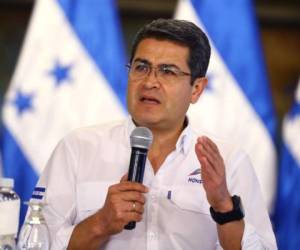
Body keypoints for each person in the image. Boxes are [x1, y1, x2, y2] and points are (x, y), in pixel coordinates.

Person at [34, 19, 277, 249]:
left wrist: (225, 207)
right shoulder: (78, 148)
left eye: (168, 71)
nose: (150, 82)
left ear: (196, 89)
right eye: (141, 67)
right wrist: (100, 224)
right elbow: (33, 243)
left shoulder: (228, 161)